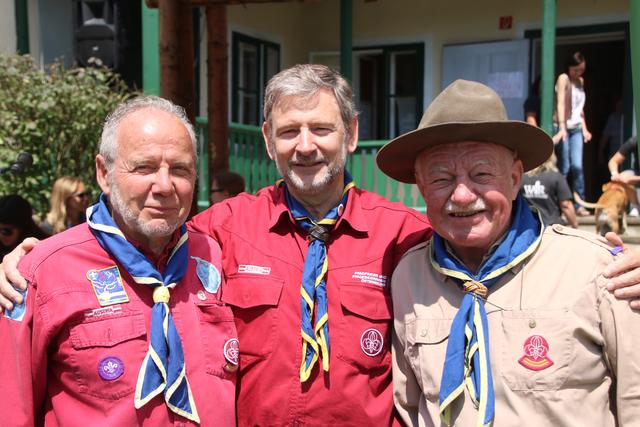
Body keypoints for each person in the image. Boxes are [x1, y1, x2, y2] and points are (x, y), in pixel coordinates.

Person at [3, 65, 640, 426]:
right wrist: (29, 258)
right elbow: (140, 245)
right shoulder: (218, 230)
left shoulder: (406, 234)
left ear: (351, 134)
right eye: (289, 131)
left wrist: (616, 258)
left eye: (321, 128)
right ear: (269, 139)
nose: (305, 145)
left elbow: (489, 246)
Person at [376, 79, 639, 426]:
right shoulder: (409, 277)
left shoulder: (599, 269)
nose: (463, 195)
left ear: (515, 178)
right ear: (422, 186)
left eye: (482, 173)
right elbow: (409, 407)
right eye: (441, 178)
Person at [0, 96, 237, 426]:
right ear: (103, 172)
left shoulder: (217, 256)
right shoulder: (41, 274)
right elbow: (11, 411)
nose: (165, 186)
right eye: (145, 167)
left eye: (180, 169)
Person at [555, 51, 592, 216]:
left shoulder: (581, 81)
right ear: (569, 67)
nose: (579, 73)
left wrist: (585, 129)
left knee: (577, 166)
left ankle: (579, 204)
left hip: (576, 128)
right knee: (564, 167)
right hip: (564, 126)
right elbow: (561, 103)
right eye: (576, 69)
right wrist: (562, 127)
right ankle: (559, 204)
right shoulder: (564, 78)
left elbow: (579, 109)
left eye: (581, 69)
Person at [520, 153, 578, 228]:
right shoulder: (556, 177)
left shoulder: (522, 178)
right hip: (552, 228)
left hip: (528, 228)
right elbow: (566, 205)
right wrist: (574, 224)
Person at [608, 135, 640, 216]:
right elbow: (613, 161)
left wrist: (635, 178)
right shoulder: (635, 141)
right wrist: (615, 175)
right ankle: (636, 207)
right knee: (622, 177)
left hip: (637, 177)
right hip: (638, 172)